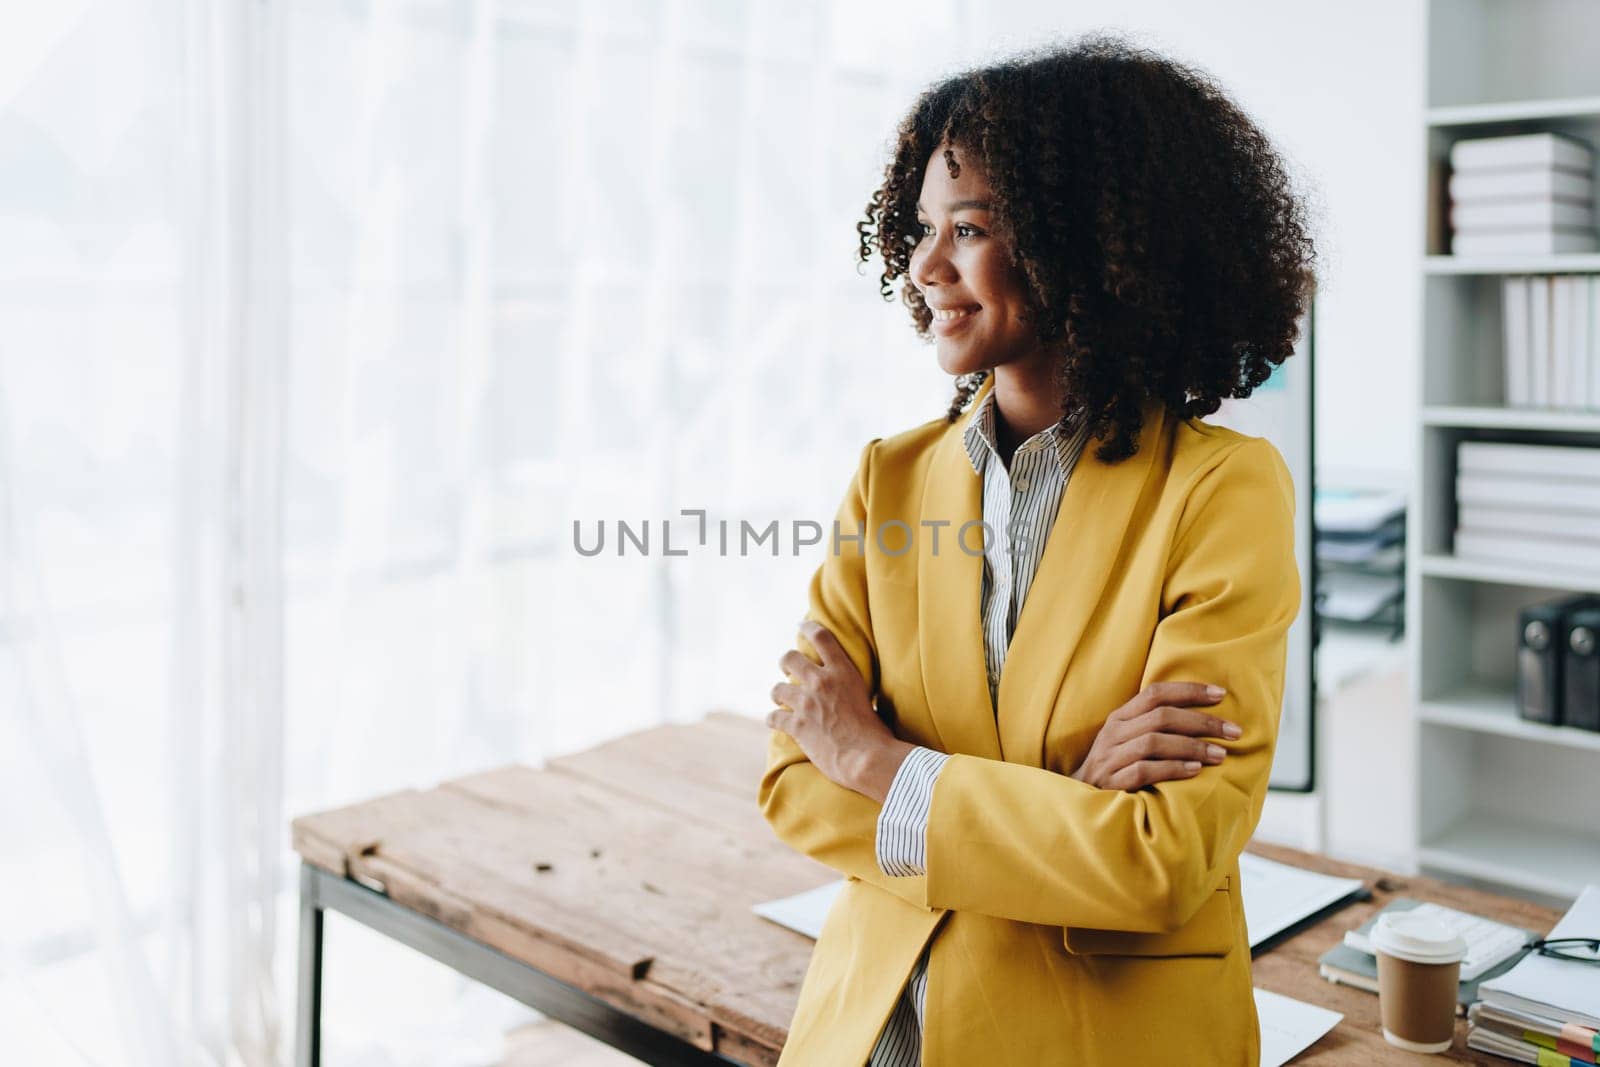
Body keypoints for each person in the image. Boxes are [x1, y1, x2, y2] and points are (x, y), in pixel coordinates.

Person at [759, 33, 1316, 1067]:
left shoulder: (1218, 490)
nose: (926, 267)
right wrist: (1063, 807)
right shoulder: (890, 479)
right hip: (869, 1030)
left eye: (967, 227)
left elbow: (1159, 861)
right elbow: (795, 781)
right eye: (922, 229)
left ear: (1090, 244)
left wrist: (879, 761)